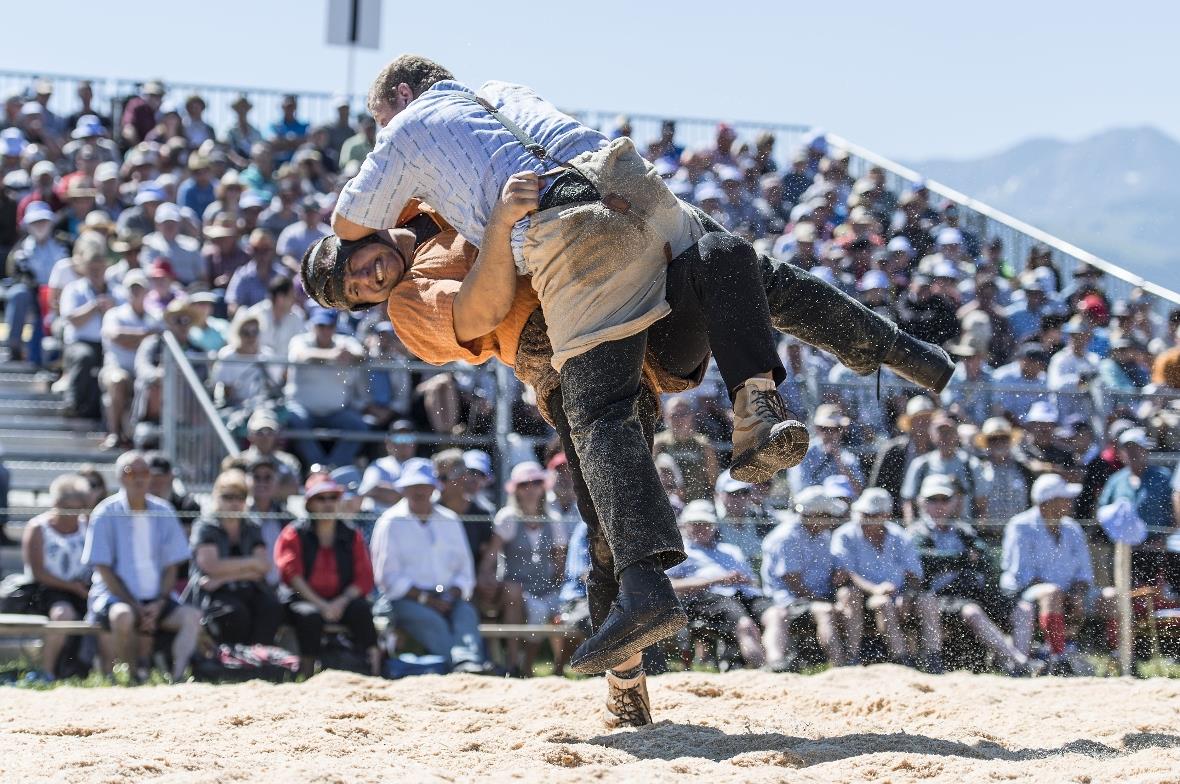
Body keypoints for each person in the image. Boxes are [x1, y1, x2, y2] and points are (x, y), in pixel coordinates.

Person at [81, 450, 202, 683]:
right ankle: (132, 675)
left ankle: (176, 678)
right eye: (130, 472)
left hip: (157, 598)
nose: (139, 477)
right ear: (120, 478)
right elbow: (103, 570)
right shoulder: (105, 513)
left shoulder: (164, 510)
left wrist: (158, 603)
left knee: (193, 617)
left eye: (144, 472)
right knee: (123, 617)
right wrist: (135, 605)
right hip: (115, 599)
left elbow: (171, 566)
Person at [369, 460, 491, 674]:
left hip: (448, 597)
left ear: (434, 487)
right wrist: (426, 599)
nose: (419, 490)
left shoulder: (450, 520)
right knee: (433, 621)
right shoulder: (390, 522)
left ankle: (467, 663)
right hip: (404, 600)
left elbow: (465, 570)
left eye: (424, 485)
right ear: (403, 489)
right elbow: (387, 577)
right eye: (413, 485)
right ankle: (464, 665)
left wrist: (452, 593)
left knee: (466, 614)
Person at [910, 475, 1039, 676]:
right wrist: (962, 558)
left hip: (971, 590)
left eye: (944, 499)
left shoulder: (963, 529)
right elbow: (926, 560)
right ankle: (1019, 662)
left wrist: (963, 559)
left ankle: (1015, 668)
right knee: (972, 612)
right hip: (939, 597)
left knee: (1023, 608)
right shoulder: (916, 532)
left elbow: (984, 556)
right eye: (933, 500)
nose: (939, 505)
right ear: (922, 503)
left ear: (954, 502)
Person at [273, 474, 380, 677]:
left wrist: (339, 602)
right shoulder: (294, 533)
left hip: (342, 600)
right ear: (309, 503)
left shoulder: (352, 534)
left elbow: (364, 577)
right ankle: (306, 675)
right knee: (309, 616)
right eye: (321, 498)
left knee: (361, 610)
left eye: (333, 497)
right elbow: (292, 575)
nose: (328, 503)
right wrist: (323, 605)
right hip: (305, 600)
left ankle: (375, 671)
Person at [1001, 474, 1101, 675]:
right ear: (1048, 503)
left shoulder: (1073, 528)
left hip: (1069, 593)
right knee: (1052, 593)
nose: (1070, 502)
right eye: (1064, 498)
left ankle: (1122, 659)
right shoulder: (1020, 525)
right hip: (1024, 594)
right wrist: (1064, 595)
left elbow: (1084, 573)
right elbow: (1023, 575)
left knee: (1111, 598)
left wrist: (1078, 594)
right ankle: (1058, 658)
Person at [832, 488, 935, 669]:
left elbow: (914, 575)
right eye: (863, 513)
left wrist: (909, 595)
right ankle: (896, 659)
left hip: (897, 594)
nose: (864, 518)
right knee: (879, 601)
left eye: (870, 514)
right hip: (860, 595)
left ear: (885, 515)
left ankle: (932, 658)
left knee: (928, 600)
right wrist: (875, 589)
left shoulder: (900, 536)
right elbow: (846, 573)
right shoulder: (845, 534)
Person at [667, 499, 774, 670]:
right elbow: (670, 586)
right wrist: (716, 580)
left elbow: (752, 581)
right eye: (696, 524)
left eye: (706, 523)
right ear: (686, 526)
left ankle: (777, 662)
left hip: (742, 594)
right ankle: (765, 669)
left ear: (714, 525)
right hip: (706, 599)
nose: (701, 528)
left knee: (776, 613)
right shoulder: (681, 553)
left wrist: (740, 579)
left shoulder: (730, 550)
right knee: (745, 625)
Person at [188, 469, 280, 645]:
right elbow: (210, 566)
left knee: (271, 607)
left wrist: (223, 577)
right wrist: (249, 566)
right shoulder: (206, 526)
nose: (234, 502)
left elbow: (262, 566)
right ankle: (232, 662)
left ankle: (260, 659)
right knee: (234, 612)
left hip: (247, 588)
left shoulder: (251, 525)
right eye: (228, 496)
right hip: (213, 594)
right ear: (217, 496)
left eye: (240, 497)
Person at [494, 461, 568, 675]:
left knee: (561, 612)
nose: (530, 488)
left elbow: (560, 562)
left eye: (535, 483)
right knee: (534, 608)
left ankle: (557, 669)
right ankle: (517, 665)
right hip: (518, 588)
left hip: (547, 587)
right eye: (524, 484)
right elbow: (492, 555)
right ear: (516, 489)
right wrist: (488, 579)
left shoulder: (553, 519)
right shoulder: (507, 518)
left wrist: (561, 591)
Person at [760, 486, 846, 670]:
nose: (831, 519)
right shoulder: (786, 537)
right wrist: (822, 600)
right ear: (815, 514)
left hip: (815, 597)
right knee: (825, 611)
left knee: (848, 600)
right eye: (827, 514)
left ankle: (856, 656)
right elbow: (794, 583)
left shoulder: (822, 535)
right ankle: (840, 667)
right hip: (789, 600)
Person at [17, 474, 93, 680]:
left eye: (77, 509)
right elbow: (38, 572)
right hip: (47, 590)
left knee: (106, 612)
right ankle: (48, 672)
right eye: (69, 508)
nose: (73, 514)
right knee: (62, 614)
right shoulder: (38, 528)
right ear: (56, 503)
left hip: (84, 588)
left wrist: (85, 589)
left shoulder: (87, 525)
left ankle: (106, 673)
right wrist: (73, 588)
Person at [283, 307, 368, 468]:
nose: (324, 330)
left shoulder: (344, 342)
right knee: (295, 419)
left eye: (329, 326)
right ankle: (318, 467)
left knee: (359, 426)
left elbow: (361, 355)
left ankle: (333, 468)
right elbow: (302, 355)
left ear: (334, 327)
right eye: (320, 326)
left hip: (336, 411)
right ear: (312, 326)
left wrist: (350, 356)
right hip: (303, 408)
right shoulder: (299, 340)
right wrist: (333, 356)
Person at [653, 395, 718, 503]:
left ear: (691, 416)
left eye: (683, 414)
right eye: (674, 415)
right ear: (665, 417)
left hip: (696, 503)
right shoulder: (658, 443)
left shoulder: (703, 444)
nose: (679, 419)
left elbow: (712, 480)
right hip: (668, 501)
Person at [971, 417, 1034, 525]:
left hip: (1019, 532)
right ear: (987, 443)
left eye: (1003, 438)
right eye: (993, 439)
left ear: (1010, 441)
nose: (999, 442)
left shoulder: (1023, 469)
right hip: (988, 534)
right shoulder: (978, 469)